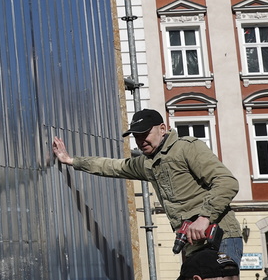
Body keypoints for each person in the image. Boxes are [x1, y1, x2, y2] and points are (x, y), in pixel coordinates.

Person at [51, 108, 243, 263]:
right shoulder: (146, 163)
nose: (141, 140)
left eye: (145, 134)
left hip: (221, 237)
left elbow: (227, 182)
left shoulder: (187, 148)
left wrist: (204, 217)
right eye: (136, 136)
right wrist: (71, 160)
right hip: (193, 244)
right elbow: (113, 166)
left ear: (162, 128)